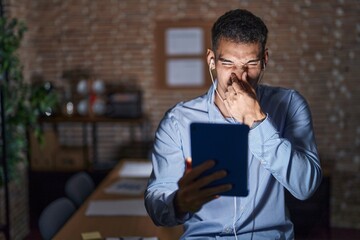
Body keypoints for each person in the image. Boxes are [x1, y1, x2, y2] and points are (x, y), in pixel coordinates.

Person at [145, 9, 322, 240]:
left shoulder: (290, 104)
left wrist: (257, 121)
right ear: (211, 60)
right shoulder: (178, 121)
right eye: (228, 63)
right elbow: (157, 207)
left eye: (251, 63)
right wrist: (178, 203)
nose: (240, 76)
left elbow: (305, 187)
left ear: (265, 60)